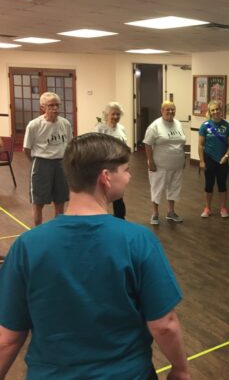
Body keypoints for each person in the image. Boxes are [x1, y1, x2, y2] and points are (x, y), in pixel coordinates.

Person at [0, 133, 190, 380]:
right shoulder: (138, 240)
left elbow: (8, 338)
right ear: (106, 178)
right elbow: (164, 325)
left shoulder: (26, 246)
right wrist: (180, 369)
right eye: (126, 170)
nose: (130, 176)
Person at [23, 92, 73, 226]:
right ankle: (38, 232)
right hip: (41, 163)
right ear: (43, 107)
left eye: (57, 105)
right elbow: (26, 149)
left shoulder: (66, 124)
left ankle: (58, 230)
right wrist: (36, 163)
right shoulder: (34, 125)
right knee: (38, 202)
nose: (55, 108)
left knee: (60, 200)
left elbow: (69, 145)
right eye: (51, 105)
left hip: (60, 164)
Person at [144, 101, 186, 225]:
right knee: (157, 188)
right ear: (161, 111)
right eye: (167, 109)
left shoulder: (178, 124)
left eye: (173, 109)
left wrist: (183, 159)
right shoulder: (155, 126)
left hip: (177, 164)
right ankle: (155, 214)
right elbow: (147, 143)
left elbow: (181, 142)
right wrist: (150, 161)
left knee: (174, 188)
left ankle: (171, 212)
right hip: (159, 166)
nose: (170, 112)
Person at [198, 100, 229, 218]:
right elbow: (200, 145)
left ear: (221, 110)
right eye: (212, 110)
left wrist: (226, 156)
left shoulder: (227, 126)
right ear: (210, 112)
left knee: (222, 185)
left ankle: (223, 209)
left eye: (217, 109)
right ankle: (207, 208)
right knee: (208, 185)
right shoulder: (205, 126)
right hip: (209, 159)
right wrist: (202, 161)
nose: (215, 112)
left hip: (222, 160)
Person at [95, 101, 128, 219]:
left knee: (118, 193)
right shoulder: (100, 129)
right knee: (103, 192)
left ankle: (120, 217)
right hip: (105, 166)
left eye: (118, 114)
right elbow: (96, 148)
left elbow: (125, 147)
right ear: (107, 115)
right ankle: (101, 216)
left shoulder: (122, 129)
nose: (116, 117)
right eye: (113, 114)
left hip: (118, 166)